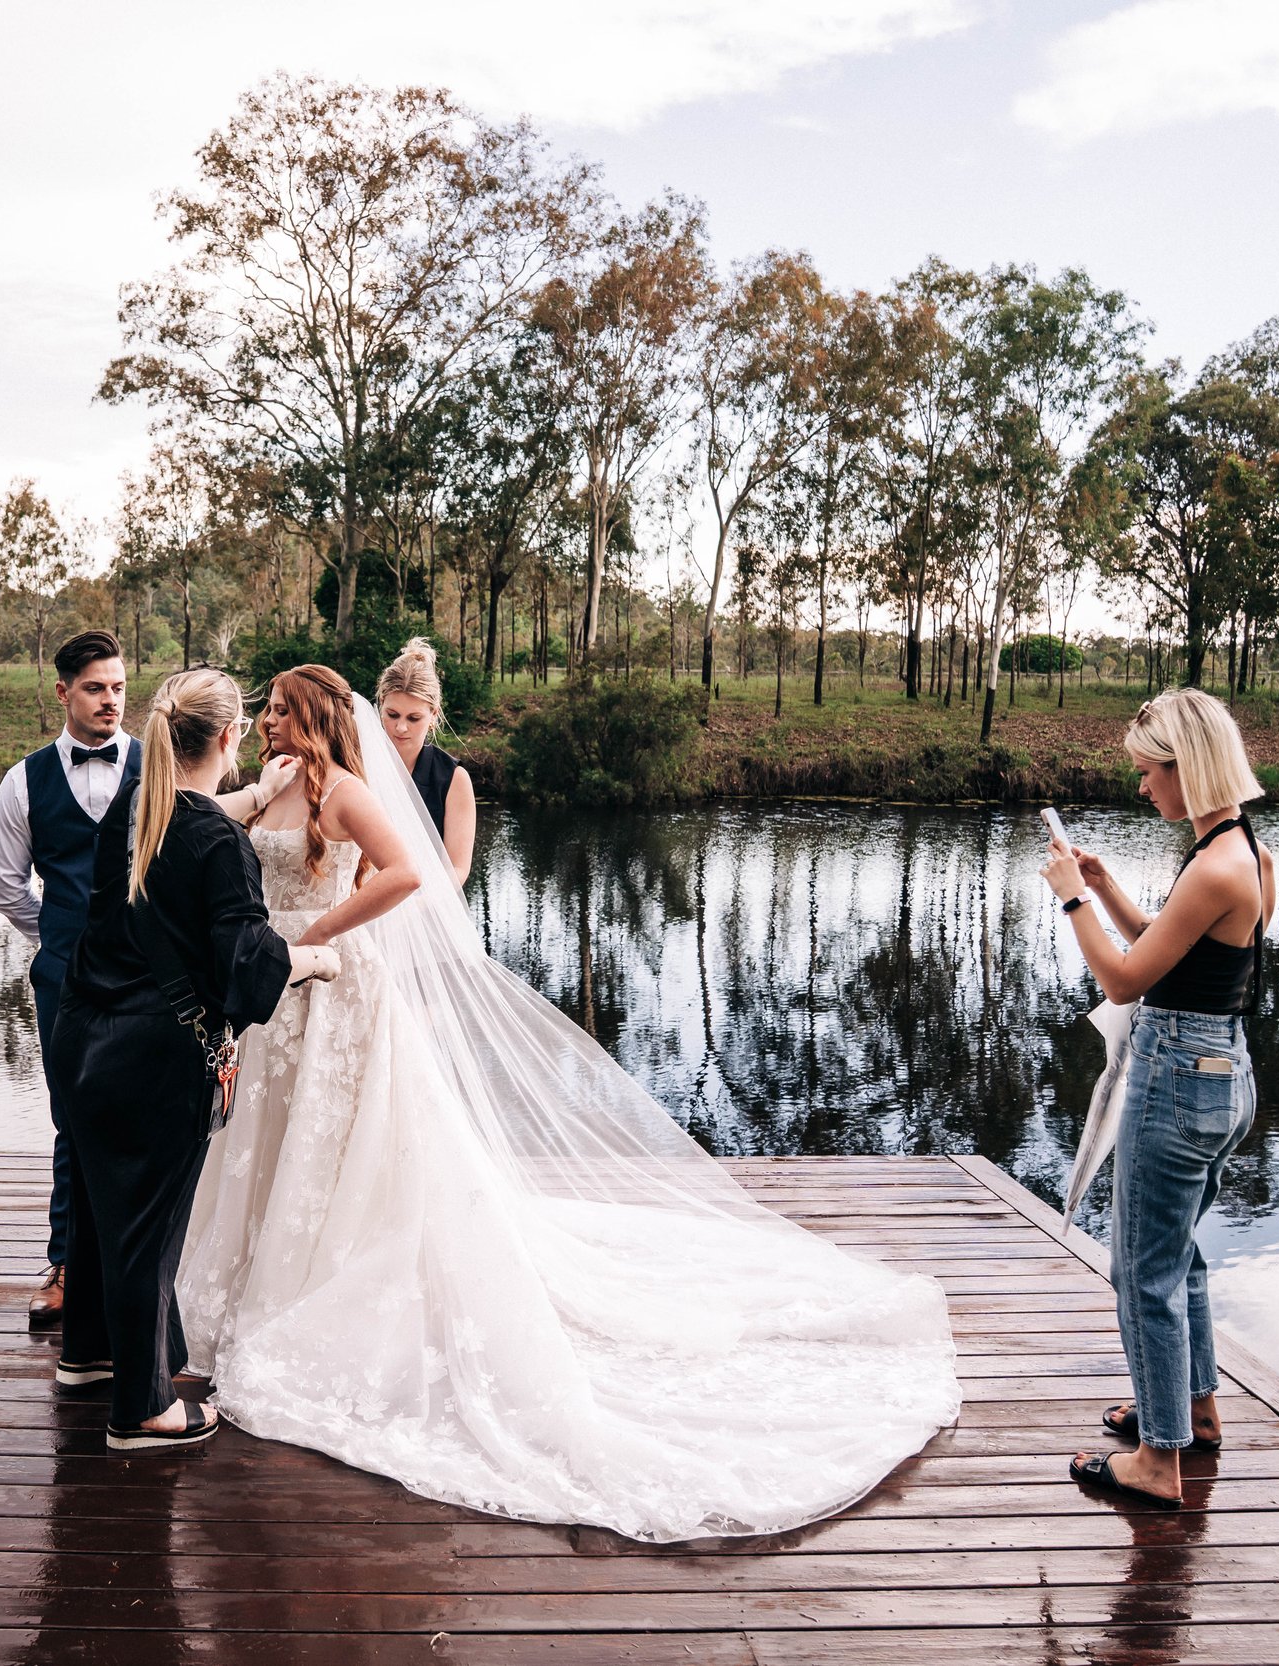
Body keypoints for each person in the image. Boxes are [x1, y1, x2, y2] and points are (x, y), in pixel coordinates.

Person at [177, 665, 960, 1541]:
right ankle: (247, 1291)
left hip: (335, 987)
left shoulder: (350, 793)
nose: (268, 721)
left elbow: (407, 876)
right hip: (276, 999)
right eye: (266, 711)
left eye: (281, 710)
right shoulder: (276, 783)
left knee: (342, 1147)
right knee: (267, 1142)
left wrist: (318, 931)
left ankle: (324, 1284)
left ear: (314, 715)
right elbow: (215, 819)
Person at [48, 666, 337, 1449]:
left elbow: (199, 820)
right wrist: (313, 961)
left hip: (80, 1036)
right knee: (149, 1230)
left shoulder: (134, 817)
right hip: (154, 1056)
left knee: (101, 1206)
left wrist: (248, 799)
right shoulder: (218, 845)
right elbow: (247, 966)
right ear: (233, 736)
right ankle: (144, 1409)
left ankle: (89, 1353)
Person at [1040, 687, 1276, 1510]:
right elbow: (1173, 950)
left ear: (1188, 766)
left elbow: (1125, 976)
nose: (1143, 788)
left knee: (1140, 1271)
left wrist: (1070, 898)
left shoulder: (1214, 865)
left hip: (1177, 1084)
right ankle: (1193, 1411)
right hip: (1223, 1076)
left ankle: (1158, 1459)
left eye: (1149, 773)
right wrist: (1105, 890)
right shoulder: (1243, 850)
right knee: (1180, 1255)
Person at [0, 630, 137, 1329]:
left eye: (118, 687)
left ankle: (147, 1269)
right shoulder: (23, 781)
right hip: (66, 980)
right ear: (63, 692)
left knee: (153, 1119)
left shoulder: (158, 764)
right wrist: (64, 937)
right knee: (73, 1119)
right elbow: (6, 888)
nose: (110, 701)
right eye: (96, 688)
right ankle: (68, 1265)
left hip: (152, 980)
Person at [374, 637, 474, 886]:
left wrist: (417, 912)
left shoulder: (453, 778)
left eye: (414, 717)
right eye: (392, 714)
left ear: (433, 715)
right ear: (380, 705)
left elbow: (458, 868)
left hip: (428, 904)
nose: (401, 727)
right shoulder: (358, 763)